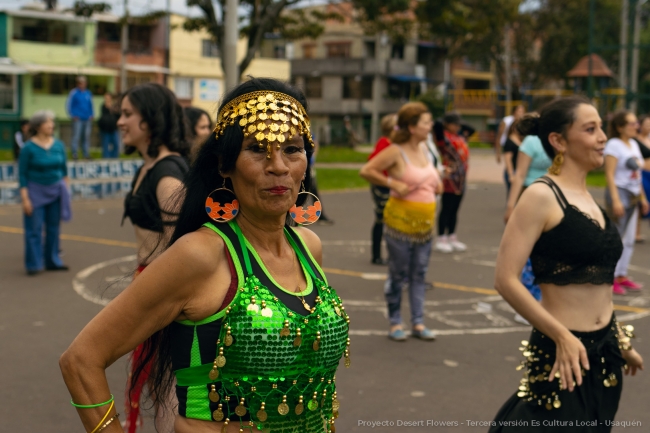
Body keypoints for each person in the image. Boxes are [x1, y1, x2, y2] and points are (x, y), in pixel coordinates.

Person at [60, 78, 350, 433]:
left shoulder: (308, 246)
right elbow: (81, 360)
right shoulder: (202, 255)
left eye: (292, 149)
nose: (278, 166)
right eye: (257, 149)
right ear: (224, 166)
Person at [489, 97, 644, 432]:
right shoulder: (541, 196)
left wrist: (620, 341)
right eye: (591, 129)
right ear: (558, 141)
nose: (603, 136)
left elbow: (600, 287)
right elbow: (505, 279)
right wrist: (561, 336)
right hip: (563, 352)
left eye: (602, 126)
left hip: (606, 354)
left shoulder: (589, 199)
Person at [117, 83, 191, 432]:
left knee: (165, 388)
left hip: (163, 288)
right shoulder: (149, 166)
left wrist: (158, 295)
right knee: (152, 382)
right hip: (148, 279)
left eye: (128, 114)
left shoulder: (167, 173)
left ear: (150, 119)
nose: (120, 121)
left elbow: (183, 246)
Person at [360, 102, 443, 341]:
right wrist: (392, 183)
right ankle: (395, 321)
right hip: (400, 226)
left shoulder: (426, 149)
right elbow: (367, 170)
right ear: (412, 126)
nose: (430, 126)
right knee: (398, 274)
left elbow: (430, 176)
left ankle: (418, 322)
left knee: (419, 274)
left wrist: (437, 182)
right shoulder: (396, 151)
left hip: (425, 226)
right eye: (426, 122)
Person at [504, 121, 552, 326]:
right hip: (529, 196)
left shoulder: (555, 141)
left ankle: (544, 300)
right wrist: (511, 205)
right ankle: (525, 305)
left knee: (548, 251)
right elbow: (520, 174)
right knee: (529, 253)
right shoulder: (531, 142)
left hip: (551, 197)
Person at [18, 110, 71, 275]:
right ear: (38, 126)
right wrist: (25, 198)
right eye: (48, 122)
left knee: (54, 228)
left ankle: (52, 261)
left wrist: (67, 192)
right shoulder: (28, 148)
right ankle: (33, 264)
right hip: (35, 192)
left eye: (52, 122)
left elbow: (64, 171)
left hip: (56, 191)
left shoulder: (58, 145)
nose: (51, 125)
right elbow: (22, 175)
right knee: (34, 229)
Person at [604, 110, 649, 295]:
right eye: (631, 123)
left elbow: (637, 174)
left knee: (629, 239)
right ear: (619, 127)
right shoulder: (614, 145)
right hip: (619, 194)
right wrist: (615, 200)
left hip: (633, 195)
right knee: (616, 238)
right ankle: (609, 277)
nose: (635, 126)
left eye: (635, 123)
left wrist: (643, 198)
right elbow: (609, 173)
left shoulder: (632, 144)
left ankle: (621, 275)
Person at [433, 113, 473, 253]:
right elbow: (436, 125)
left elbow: (472, 129)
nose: (458, 126)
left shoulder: (460, 136)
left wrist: (458, 125)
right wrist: (444, 123)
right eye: (454, 124)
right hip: (449, 178)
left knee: (455, 209)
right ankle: (441, 237)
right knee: (446, 208)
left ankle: (452, 235)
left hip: (461, 178)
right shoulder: (443, 138)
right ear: (446, 124)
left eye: (458, 124)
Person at [367, 113, 397, 265]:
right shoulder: (384, 143)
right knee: (381, 219)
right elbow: (374, 162)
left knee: (391, 221)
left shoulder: (393, 143)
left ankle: (391, 253)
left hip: (391, 184)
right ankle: (376, 255)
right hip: (383, 185)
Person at [66, 76, 95, 160]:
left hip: (87, 119)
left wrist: (92, 114)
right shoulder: (74, 93)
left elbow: (91, 105)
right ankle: (74, 154)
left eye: (84, 83)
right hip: (78, 119)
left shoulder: (88, 93)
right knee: (76, 136)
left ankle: (86, 154)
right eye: (81, 83)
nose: (83, 84)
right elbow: (68, 105)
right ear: (78, 84)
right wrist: (72, 115)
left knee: (86, 137)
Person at [307, 137, 334, 225]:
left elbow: (315, 143)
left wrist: (313, 156)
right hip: (299, 166)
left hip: (308, 167)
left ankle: (320, 215)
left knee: (314, 192)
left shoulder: (308, 129)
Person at [633, 114, 650, 242]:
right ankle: (636, 233)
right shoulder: (635, 141)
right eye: (647, 124)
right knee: (641, 203)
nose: (649, 127)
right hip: (642, 174)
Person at [503, 119, 523, 195]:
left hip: (519, 171)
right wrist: (511, 174)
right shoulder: (509, 141)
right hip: (513, 171)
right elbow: (508, 159)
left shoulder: (522, 140)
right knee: (513, 195)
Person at [98, 92, 120, 159]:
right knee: (106, 146)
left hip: (113, 129)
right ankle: (106, 159)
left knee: (116, 145)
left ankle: (114, 158)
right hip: (105, 130)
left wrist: (113, 109)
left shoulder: (115, 107)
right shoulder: (103, 106)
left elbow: (118, 116)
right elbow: (103, 117)